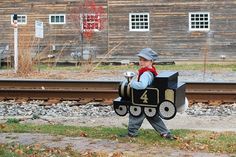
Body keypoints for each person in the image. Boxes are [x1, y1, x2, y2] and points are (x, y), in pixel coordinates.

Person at [122, 48, 176, 140]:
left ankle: (131, 133)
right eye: (140, 60)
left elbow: (142, 85)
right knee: (152, 117)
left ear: (151, 61)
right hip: (150, 100)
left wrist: (131, 83)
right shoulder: (151, 70)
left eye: (145, 60)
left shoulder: (146, 74)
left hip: (142, 99)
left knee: (135, 114)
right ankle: (165, 133)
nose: (141, 62)